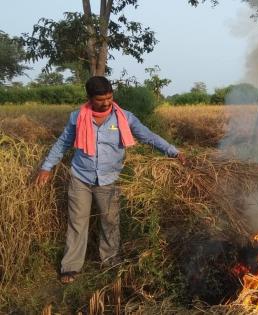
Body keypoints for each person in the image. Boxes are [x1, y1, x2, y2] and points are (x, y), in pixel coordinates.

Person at [35, 76, 185, 284]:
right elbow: (62, 144)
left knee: (110, 221)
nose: (106, 102)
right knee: (77, 223)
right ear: (89, 98)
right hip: (81, 177)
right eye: (100, 99)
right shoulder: (77, 117)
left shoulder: (125, 118)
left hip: (109, 178)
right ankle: (70, 266)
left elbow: (148, 136)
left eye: (109, 97)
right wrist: (46, 167)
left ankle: (111, 261)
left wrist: (174, 152)